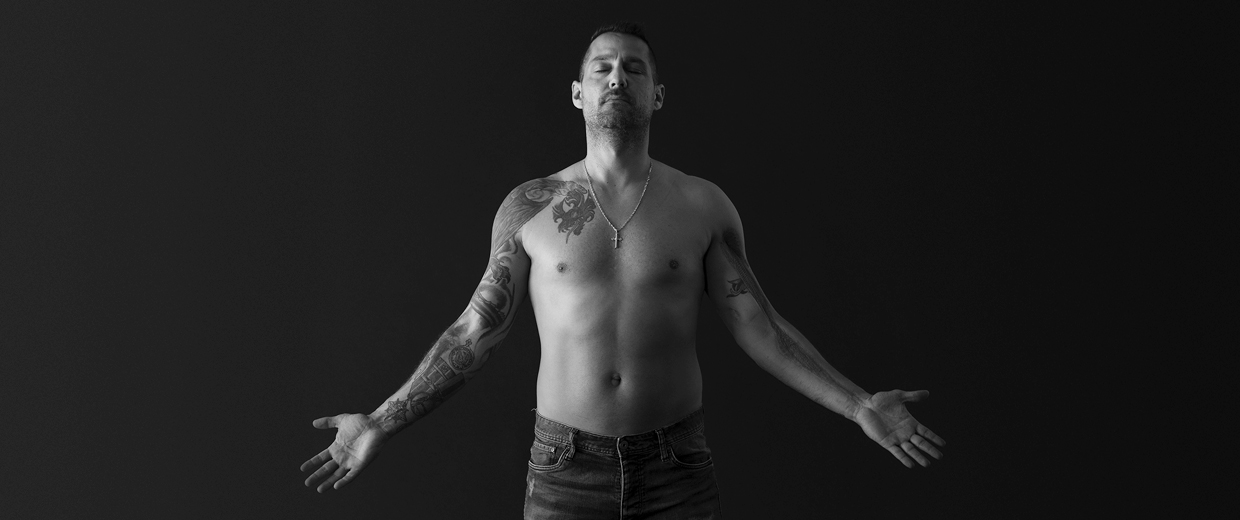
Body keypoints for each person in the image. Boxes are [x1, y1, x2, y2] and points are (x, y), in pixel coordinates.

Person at [300, 22, 945, 518]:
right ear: (579, 92)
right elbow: (476, 331)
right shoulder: (534, 206)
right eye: (602, 67)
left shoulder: (700, 205)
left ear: (656, 94)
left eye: (633, 69)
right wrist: (381, 420)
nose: (617, 77)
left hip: (677, 468)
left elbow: (760, 327)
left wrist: (859, 404)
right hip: (561, 470)